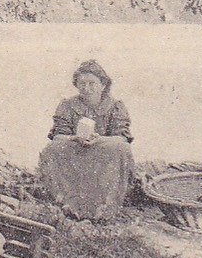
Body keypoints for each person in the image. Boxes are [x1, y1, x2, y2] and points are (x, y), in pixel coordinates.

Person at [37, 59, 135, 220]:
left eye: (92, 83)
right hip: (76, 149)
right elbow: (58, 136)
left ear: (103, 85)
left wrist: (99, 139)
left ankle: (105, 209)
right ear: (76, 85)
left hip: (103, 150)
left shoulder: (115, 106)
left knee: (121, 149)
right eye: (82, 83)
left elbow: (122, 138)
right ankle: (67, 204)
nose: (87, 88)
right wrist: (76, 138)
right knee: (53, 148)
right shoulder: (67, 106)